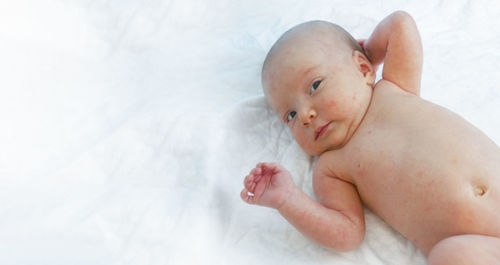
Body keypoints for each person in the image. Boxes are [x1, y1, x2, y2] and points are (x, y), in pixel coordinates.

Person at [240, 11, 500, 264]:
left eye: (315, 86)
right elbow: (347, 234)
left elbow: (401, 24)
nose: (305, 115)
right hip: (480, 245)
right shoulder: (333, 168)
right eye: (290, 115)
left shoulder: (396, 87)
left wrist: (371, 54)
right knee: (450, 256)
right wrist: (289, 200)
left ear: (362, 69)